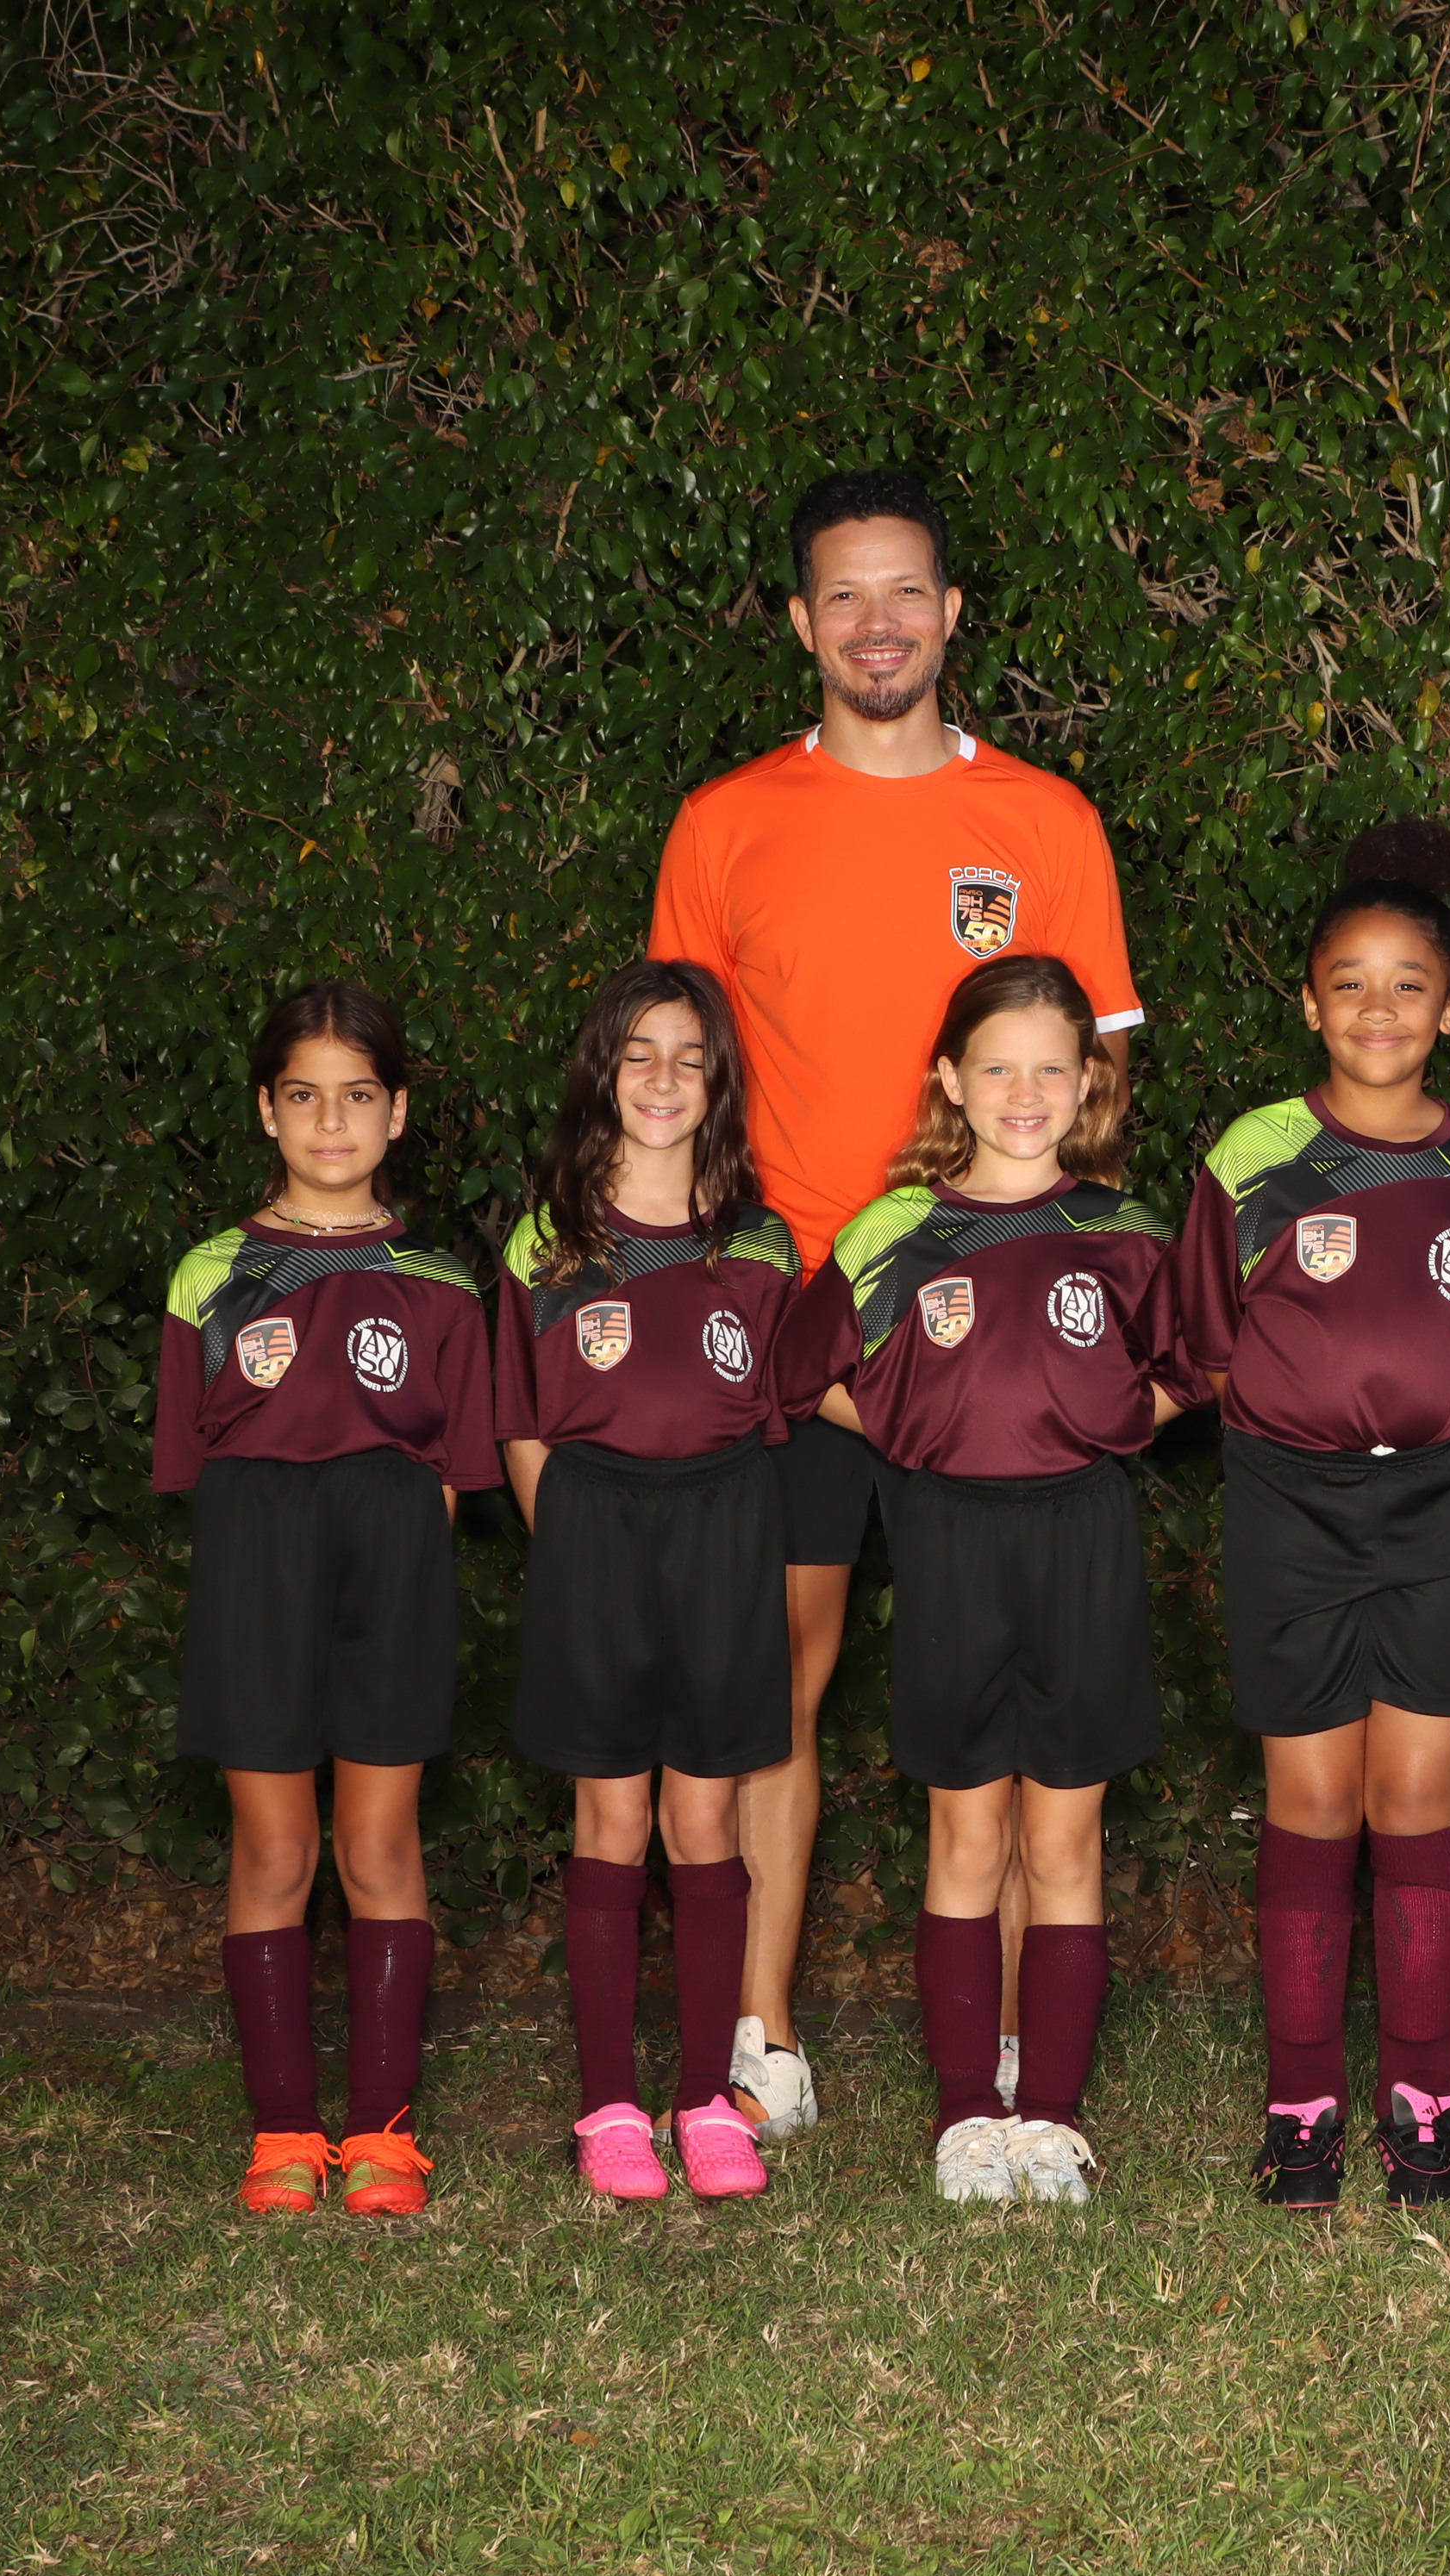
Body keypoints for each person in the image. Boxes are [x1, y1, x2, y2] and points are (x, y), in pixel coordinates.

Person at [647, 468, 1147, 2141]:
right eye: (846, 597)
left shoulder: (1045, 823)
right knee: (775, 1683)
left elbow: (1099, 1093)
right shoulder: (726, 825)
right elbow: (676, 1083)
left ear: (952, 611)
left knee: (1010, 1707)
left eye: (907, 592)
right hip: (800, 1329)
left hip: (997, 1351)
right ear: (803, 621)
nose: (880, 625)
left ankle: (1004, 2059)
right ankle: (763, 2031)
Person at [1166, 823, 1450, 2211]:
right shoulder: (1254, 1157)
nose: (1378, 1008)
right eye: (1350, 983)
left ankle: (1423, 2099)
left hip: (1446, 1502)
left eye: (1408, 985)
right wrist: (1308, 1418)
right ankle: (1302, 2104)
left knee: (1420, 1796)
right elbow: (1207, 1345)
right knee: (1315, 1799)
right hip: (1292, 1500)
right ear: (1309, 1003)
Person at [783, 956, 1178, 2207]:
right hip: (951, 1537)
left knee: (1064, 1837)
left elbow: (1201, 1364)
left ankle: (1050, 2113)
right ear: (950, 1079)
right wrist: (909, 1431)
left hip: (1083, 1537)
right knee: (965, 1834)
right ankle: (965, 2114)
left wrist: (1115, 1422)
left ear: (1089, 1083)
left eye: (1051, 1068)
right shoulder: (894, 1231)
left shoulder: (1122, 1230)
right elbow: (802, 1372)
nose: (1025, 1092)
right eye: (998, 1067)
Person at [155, 984, 496, 2222]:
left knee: (381, 1845)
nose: (331, 1121)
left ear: (397, 1113)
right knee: (272, 1848)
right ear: (267, 1109)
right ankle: (284, 2128)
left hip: (392, 1562)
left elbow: (454, 1476)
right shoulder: (212, 1274)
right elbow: (196, 1464)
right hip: (258, 1562)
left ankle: (386, 2135)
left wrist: (407, 1575)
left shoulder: (439, 1283)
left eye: (358, 1096)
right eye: (304, 1095)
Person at [492, 959, 797, 2204]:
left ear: (718, 1083)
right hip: (595, 1537)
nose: (664, 1079)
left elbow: (781, 1410)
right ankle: (610, 2105)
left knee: (705, 1823)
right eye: (639, 1054)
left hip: (723, 1533)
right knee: (612, 1821)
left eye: (690, 1057)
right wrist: (572, 1542)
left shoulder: (758, 1243)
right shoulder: (549, 1242)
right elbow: (521, 1424)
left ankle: (705, 2100)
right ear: (601, 1073)